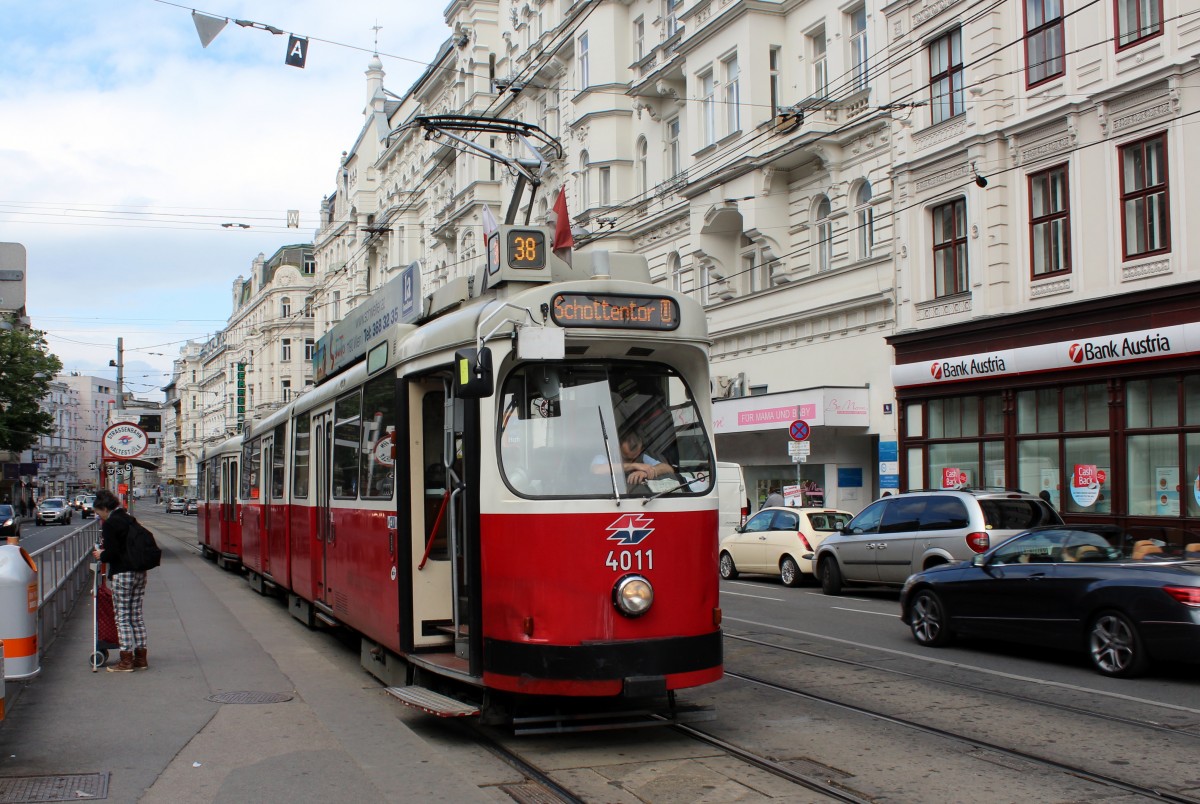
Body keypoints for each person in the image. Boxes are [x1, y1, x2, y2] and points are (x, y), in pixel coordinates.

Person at [90, 489, 149, 672]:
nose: (97, 515)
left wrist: (101, 554)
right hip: (140, 571)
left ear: (104, 508)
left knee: (122, 617)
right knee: (136, 615)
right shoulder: (128, 518)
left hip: (123, 573)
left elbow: (113, 552)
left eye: (97, 511)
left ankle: (125, 660)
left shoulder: (110, 524)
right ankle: (141, 658)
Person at [594, 429, 673, 487]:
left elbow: (668, 468)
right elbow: (597, 469)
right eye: (627, 458)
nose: (633, 460)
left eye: (636, 457)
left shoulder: (642, 458)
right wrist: (633, 465)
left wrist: (647, 472)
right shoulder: (605, 456)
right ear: (616, 447)